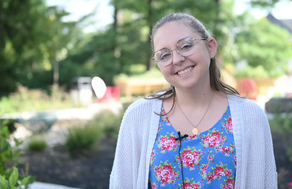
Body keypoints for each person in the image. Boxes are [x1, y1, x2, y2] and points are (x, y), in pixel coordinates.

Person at [110, 13, 277, 189]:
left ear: (211, 47)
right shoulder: (138, 116)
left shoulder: (250, 116)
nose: (177, 59)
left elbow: (264, 183)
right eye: (164, 55)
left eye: (186, 46)